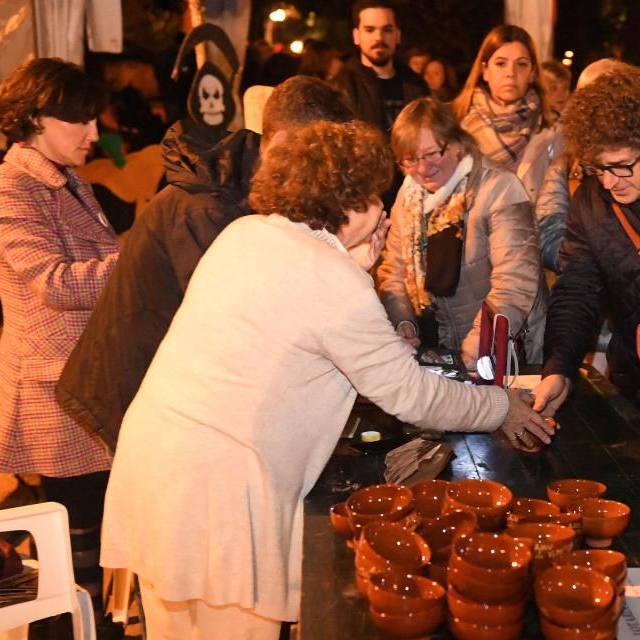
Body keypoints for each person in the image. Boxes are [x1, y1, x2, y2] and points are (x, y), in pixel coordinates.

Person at [99, 121, 553, 640]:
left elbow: (301, 312)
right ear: (348, 198)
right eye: (375, 194)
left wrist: (355, 262)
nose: (385, 207)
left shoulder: (248, 234)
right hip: (218, 489)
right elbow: (410, 395)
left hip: (156, 463)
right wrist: (500, 406)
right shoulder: (332, 282)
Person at [57, 76, 353, 452]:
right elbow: (233, 329)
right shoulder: (206, 206)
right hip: (138, 395)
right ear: (280, 145)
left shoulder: (245, 190)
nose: (324, 173)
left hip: (169, 392)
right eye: (319, 157)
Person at [0, 57, 117, 611]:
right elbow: (53, 283)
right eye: (81, 121)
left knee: (97, 518)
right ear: (37, 118)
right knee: (74, 526)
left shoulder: (68, 179)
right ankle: (71, 637)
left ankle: (98, 629)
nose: (95, 133)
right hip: (53, 386)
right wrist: (141, 264)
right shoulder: (9, 188)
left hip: (87, 378)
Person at [531, 65, 640, 436]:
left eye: (621, 166)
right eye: (598, 168)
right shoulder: (593, 201)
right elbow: (577, 288)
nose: (609, 181)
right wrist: (560, 368)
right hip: (635, 384)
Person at [377, 97, 547, 366]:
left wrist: (477, 348)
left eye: (432, 153)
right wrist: (403, 321)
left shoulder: (499, 188)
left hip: (500, 351)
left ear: (456, 142)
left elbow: (515, 282)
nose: (422, 168)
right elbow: (394, 268)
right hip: (439, 349)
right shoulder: (409, 196)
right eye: (409, 160)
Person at [535, 58, 627, 272]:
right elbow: (548, 236)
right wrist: (592, 265)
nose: (599, 109)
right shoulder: (567, 167)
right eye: (589, 100)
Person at [452, 24, 557, 203]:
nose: (511, 73)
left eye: (521, 64)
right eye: (501, 63)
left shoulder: (553, 129)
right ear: (485, 70)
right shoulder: (456, 125)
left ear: (532, 72)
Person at [333, 0, 428, 135]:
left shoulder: (417, 86)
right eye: (369, 30)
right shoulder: (341, 88)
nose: (379, 37)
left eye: (387, 30)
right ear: (356, 36)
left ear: (398, 35)